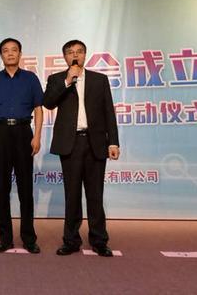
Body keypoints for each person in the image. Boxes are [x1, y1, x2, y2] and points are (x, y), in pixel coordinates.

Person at [43, 39, 120, 257]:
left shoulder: (99, 80)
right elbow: (48, 102)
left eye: (79, 51)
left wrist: (113, 142)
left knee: (95, 194)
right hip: (71, 143)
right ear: (64, 57)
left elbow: (109, 112)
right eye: (70, 52)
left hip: (96, 143)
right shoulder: (57, 79)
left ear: (85, 55)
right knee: (72, 194)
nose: (75, 55)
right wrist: (68, 81)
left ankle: (99, 240)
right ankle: (71, 240)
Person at [0, 38, 44, 254]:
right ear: (1, 55)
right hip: (0, 133)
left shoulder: (31, 78)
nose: (10, 54)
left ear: (20, 54)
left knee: (26, 188)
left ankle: (29, 238)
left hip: (24, 132)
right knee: (2, 188)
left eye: (14, 50)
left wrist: (37, 136)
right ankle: (5, 239)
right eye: (6, 51)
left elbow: (39, 109)